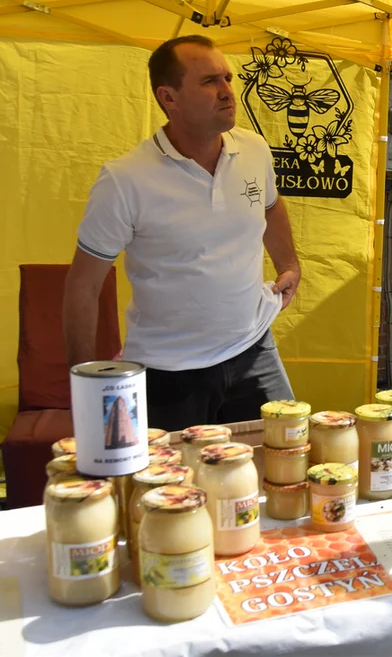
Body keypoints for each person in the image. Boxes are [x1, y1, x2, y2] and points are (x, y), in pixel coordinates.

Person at [63, 35, 301, 431]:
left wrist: (288, 263)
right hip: (169, 372)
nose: (228, 92)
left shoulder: (255, 150)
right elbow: (83, 287)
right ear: (168, 97)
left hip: (254, 348)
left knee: (285, 464)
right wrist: (84, 388)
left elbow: (271, 206)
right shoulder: (125, 180)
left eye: (228, 78)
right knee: (176, 490)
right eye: (210, 82)